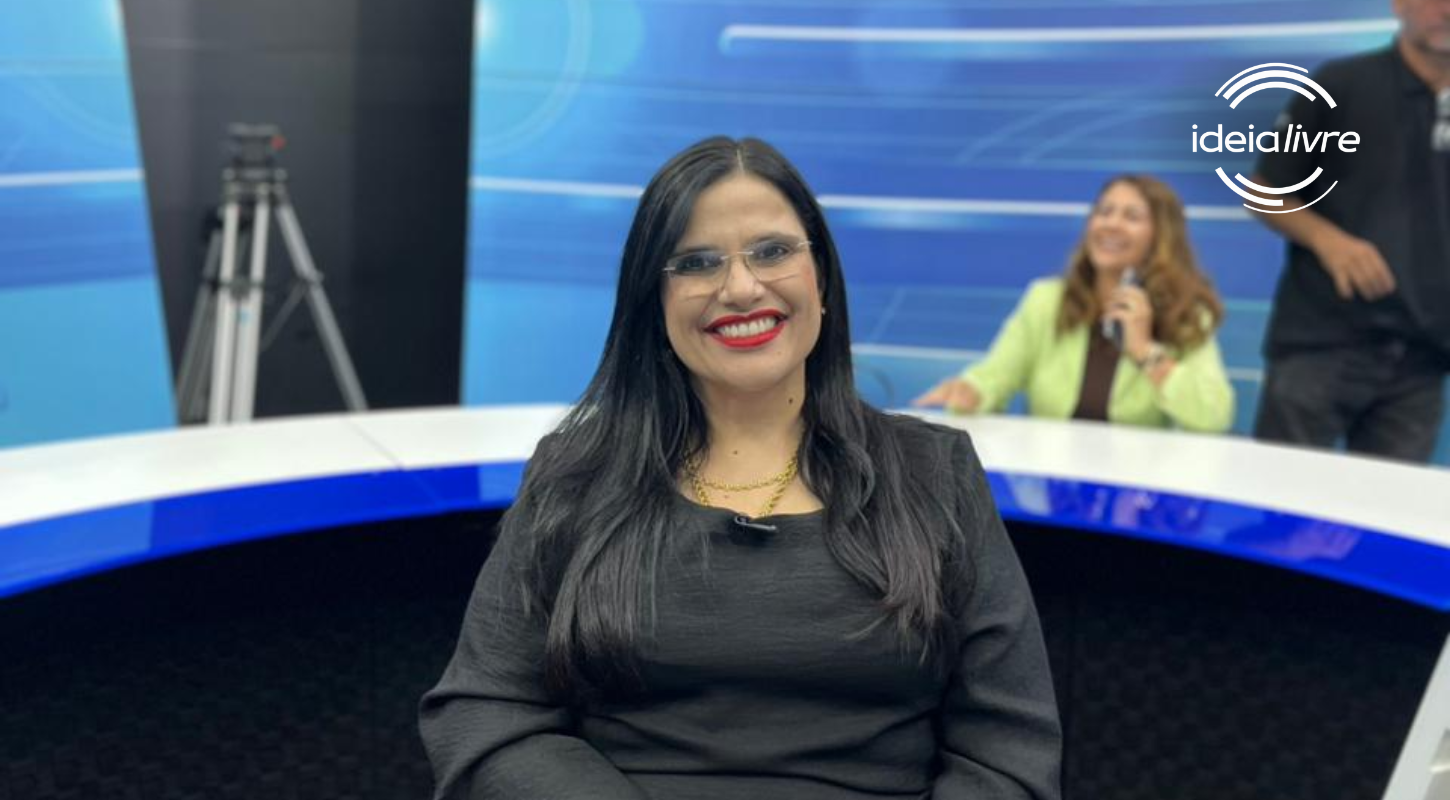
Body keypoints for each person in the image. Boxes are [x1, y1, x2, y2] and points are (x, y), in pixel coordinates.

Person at [418, 137, 1062, 800]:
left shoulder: (936, 472)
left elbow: (1007, 752)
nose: (741, 288)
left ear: (821, 279)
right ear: (654, 301)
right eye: (697, 263)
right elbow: (486, 713)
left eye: (773, 251)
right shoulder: (575, 474)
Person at [1249, 0, 1450, 463]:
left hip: (1423, 361)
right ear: (1399, 5)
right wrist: (1329, 241)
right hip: (1322, 344)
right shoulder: (1341, 85)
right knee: (1281, 494)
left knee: (1389, 504)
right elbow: (1263, 191)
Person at [913, 175, 1234, 433]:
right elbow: (995, 376)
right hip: (1050, 479)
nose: (1111, 224)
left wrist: (1144, 350)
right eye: (1104, 212)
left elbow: (1213, 415)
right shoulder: (1047, 299)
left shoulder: (1186, 312)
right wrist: (971, 392)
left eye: (1131, 216)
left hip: (1136, 484)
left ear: (1161, 237)